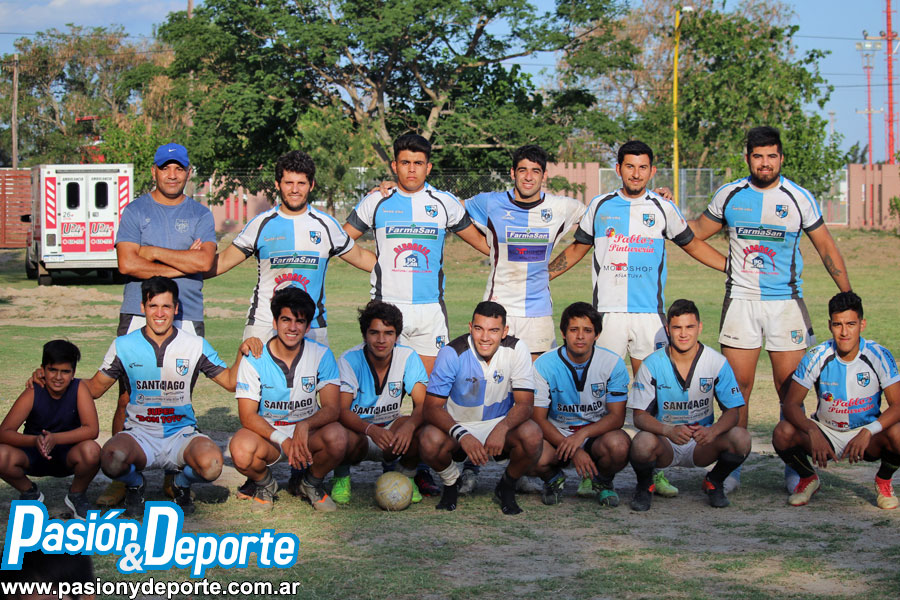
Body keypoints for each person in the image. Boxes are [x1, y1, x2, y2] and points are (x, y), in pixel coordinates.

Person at [549, 140, 727, 498]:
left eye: (643, 167)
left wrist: (730, 267)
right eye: (629, 166)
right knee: (597, 395)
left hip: (650, 316)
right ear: (618, 169)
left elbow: (691, 243)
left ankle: (654, 470)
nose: (636, 173)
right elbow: (578, 248)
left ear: (652, 170)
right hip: (608, 315)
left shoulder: (663, 207)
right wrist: (543, 276)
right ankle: (593, 472)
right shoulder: (600, 205)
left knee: (655, 395)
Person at [690, 126, 851, 491]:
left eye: (772, 156)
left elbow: (826, 247)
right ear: (748, 158)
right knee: (738, 388)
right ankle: (731, 467)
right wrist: (725, 264)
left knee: (789, 389)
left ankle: (796, 467)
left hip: (786, 304)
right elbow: (694, 233)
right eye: (758, 156)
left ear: (781, 158)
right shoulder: (730, 194)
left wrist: (848, 296)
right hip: (741, 302)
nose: (765, 163)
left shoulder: (798, 198)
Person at [102, 142, 217, 507]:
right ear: (154, 171)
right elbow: (126, 264)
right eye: (165, 168)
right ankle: (122, 478)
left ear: (188, 172)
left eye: (179, 168)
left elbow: (205, 263)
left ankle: (174, 475)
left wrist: (150, 252)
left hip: (188, 313)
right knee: (127, 394)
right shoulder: (136, 210)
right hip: (139, 311)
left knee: (179, 393)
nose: (172, 175)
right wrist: (183, 262)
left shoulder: (201, 213)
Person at [85, 277, 255, 517]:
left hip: (181, 434)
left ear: (176, 308)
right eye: (153, 306)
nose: (159, 313)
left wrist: (241, 352)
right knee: (110, 459)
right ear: (143, 308)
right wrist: (54, 381)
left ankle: (180, 483)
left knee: (212, 465)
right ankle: (135, 484)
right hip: (140, 434)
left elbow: (229, 382)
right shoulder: (123, 345)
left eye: (166, 306)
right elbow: (94, 389)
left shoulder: (195, 345)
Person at [343, 133, 490, 376]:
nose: (412, 169)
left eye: (418, 163)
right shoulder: (377, 201)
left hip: (429, 310)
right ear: (394, 166)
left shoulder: (444, 203)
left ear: (428, 167)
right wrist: (378, 265)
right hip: (386, 305)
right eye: (405, 163)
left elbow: (483, 244)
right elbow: (339, 241)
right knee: (382, 388)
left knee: (430, 388)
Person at [208, 150, 375, 344]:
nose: (295, 189)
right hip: (264, 325)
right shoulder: (260, 224)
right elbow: (222, 262)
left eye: (301, 183)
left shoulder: (326, 225)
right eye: (289, 183)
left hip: (312, 327)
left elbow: (362, 258)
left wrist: (402, 271)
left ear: (311, 185)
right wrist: (183, 268)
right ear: (277, 184)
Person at [773, 291, 900, 509]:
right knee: (782, 432)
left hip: (866, 434)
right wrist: (812, 430)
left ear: (862, 324)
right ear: (829, 325)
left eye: (851, 324)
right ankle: (808, 478)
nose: (844, 332)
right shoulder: (816, 355)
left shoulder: (879, 355)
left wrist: (868, 431)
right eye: (837, 324)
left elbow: (897, 405)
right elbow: (791, 404)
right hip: (826, 432)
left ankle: (884, 481)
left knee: (899, 433)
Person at [417, 301, 542, 515]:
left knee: (532, 435)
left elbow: (525, 404)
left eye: (493, 330)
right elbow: (431, 408)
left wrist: (502, 428)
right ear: (470, 327)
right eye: (479, 329)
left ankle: (507, 485)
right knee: (428, 439)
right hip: (459, 425)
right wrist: (462, 435)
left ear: (505, 331)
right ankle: (451, 482)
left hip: (499, 423)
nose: (485, 337)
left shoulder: (517, 349)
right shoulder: (451, 352)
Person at [229, 287, 346, 512]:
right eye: (286, 320)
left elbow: (332, 408)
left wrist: (305, 425)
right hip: (269, 437)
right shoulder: (255, 357)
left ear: (308, 326)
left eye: (299, 321)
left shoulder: (321, 354)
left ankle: (310, 483)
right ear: (275, 322)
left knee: (338, 438)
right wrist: (283, 439)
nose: (292, 328)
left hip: (307, 436)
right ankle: (265, 484)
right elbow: (247, 416)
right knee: (241, 449)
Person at [627, 299, 750, 511]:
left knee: (741, 438)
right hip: (666, 441)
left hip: (701, 443)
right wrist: (668, 430)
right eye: (677, 328)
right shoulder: (652, 363)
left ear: (699, 327)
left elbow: (733, 412)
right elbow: (639, 416)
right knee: (641, 443)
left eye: (689, 327)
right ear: (668, 330)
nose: (683, 334)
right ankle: (645, 486)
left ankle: (714, 482)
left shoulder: (716, 361)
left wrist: (713, 431)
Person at [530, 302, 631, 507]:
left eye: (587, 330)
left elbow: (617, 417)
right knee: (528, 448)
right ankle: (553, 478)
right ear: (563, 333)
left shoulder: (612, 363)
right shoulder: (544, 364)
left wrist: (582, 436)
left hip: (595, 434)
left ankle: (601, 480)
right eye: (574, 330)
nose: (580, 336)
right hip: (557, 434)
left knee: (620, 445)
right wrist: (574, 450)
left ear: (597, 334)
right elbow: (538, 418)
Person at [332, 300, 429, 505]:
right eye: (374, 333)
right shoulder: (349, 360)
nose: (381, 340)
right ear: (364, 335)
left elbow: (423, 404)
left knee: (423, 427)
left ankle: (406, 476)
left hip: (390, 431)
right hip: (359, 431)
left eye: (388, 333)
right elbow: (341, 410)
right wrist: (370, 430)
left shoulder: (408, 356)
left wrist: (410, 426)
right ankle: (341, 477)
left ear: (397, 336)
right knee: (337, 432)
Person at [0, 340, 100, 520]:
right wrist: (34, 440)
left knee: (92, 450)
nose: (58, 377)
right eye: (53, 370)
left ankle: (76, 494)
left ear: (73, 373)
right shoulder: (34, 391)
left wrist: (56, 438)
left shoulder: (79, 389)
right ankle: (29, 493)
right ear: (43, 370)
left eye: (65, 371)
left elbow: (92, 430)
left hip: (68, 455)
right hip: (33, 455)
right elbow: (4, 432)